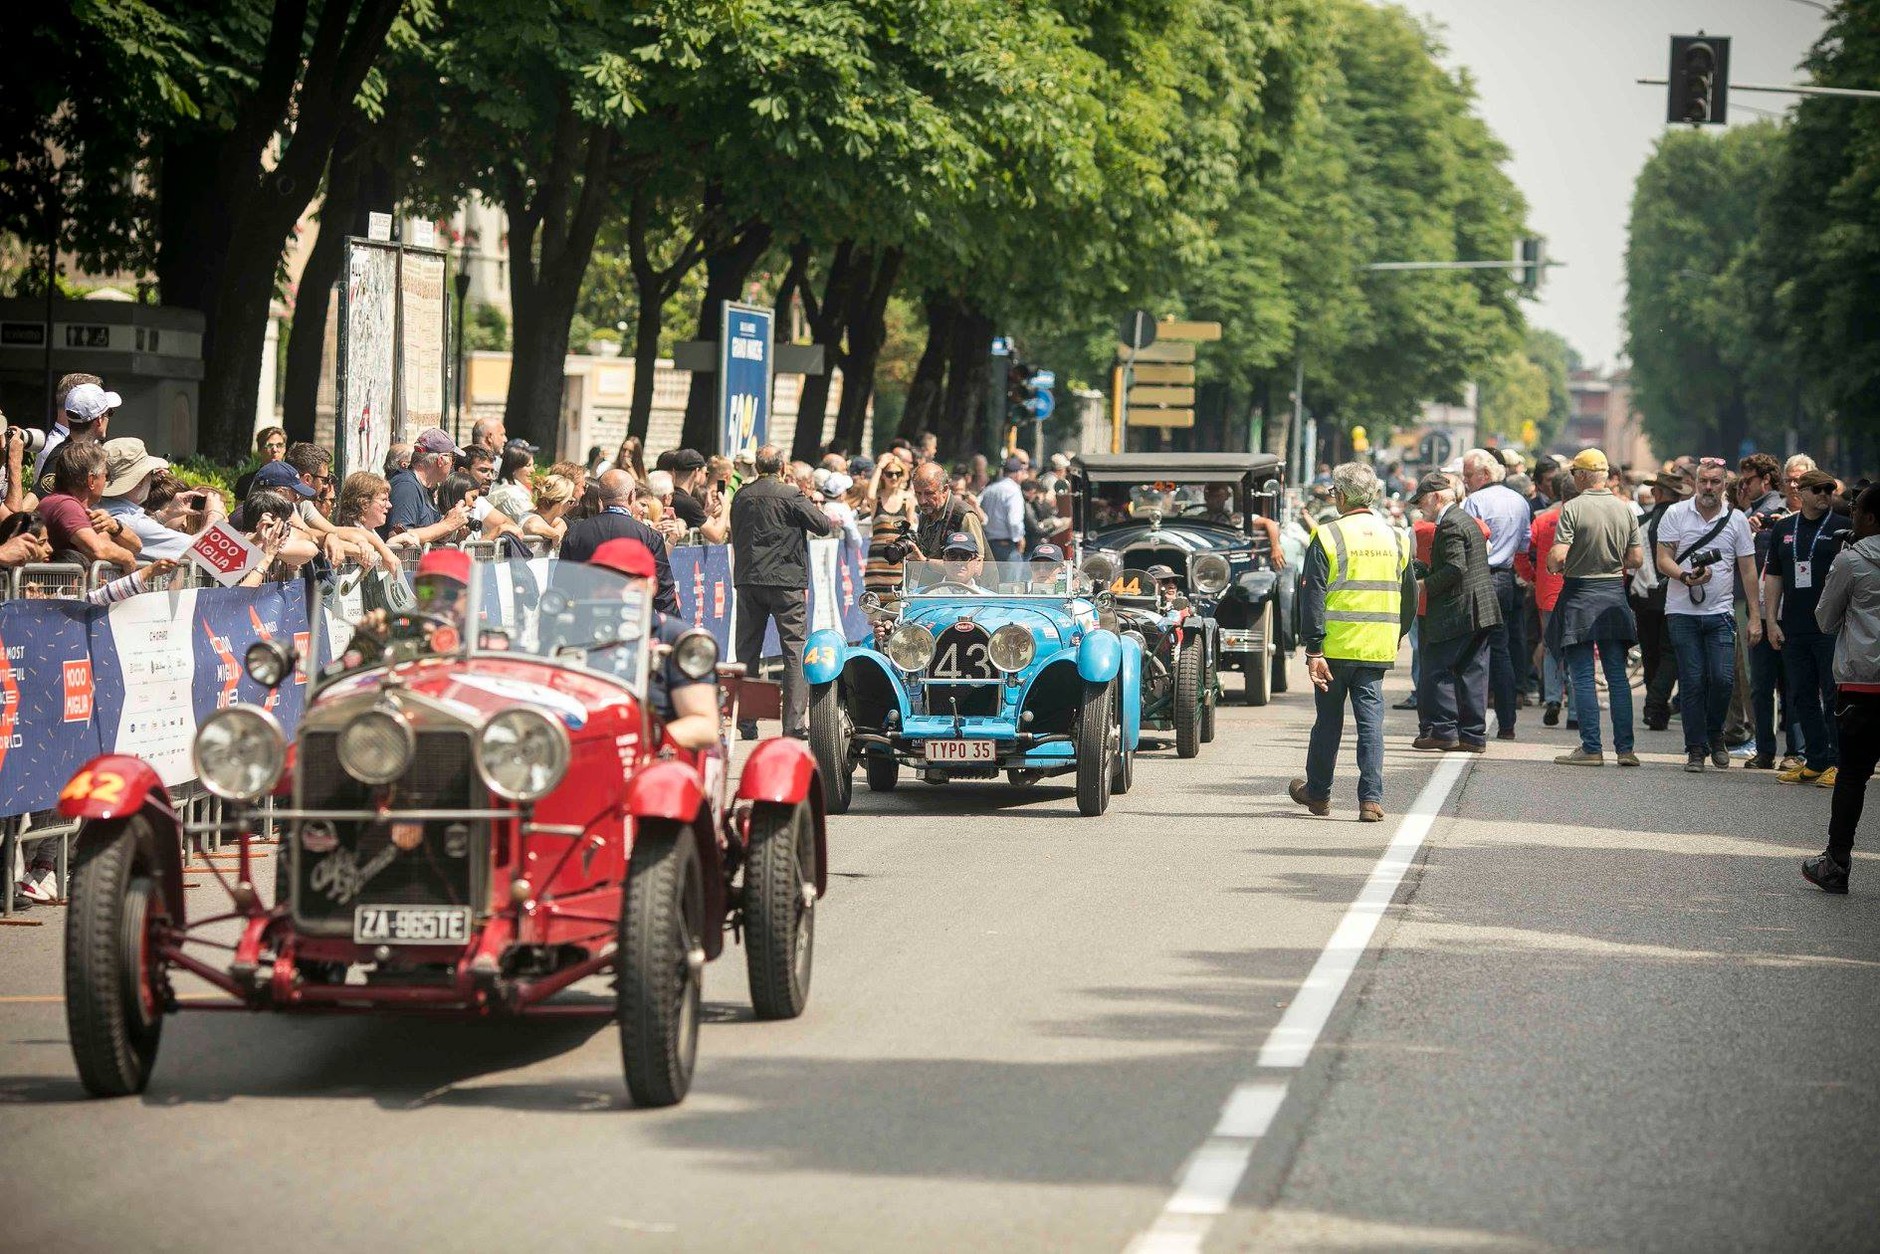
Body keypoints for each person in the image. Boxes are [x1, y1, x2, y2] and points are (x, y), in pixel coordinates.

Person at [1289, 462, 1414, 823]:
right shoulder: (1397, 537)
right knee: (1371, 723)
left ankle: (1318, 793)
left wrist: (1313, 648)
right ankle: (1370, 800)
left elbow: (1312, 595)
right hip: (1376, 647)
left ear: (1341, 495)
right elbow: (1408, 597)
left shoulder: (1328, 535)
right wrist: (1395, 633)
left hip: (1335, 648)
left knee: (1328, 723)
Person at [1657, 457, 1763, 772]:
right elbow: (1663, 558)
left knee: (1722, 679)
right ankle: (1695, 748)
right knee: (1691, 681)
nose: (1708, 487)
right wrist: (1685, 577)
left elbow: (1748, 571)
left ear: (1724, 485)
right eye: (1704, 480)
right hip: (1682, 612)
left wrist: (1755, 616)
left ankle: (1716, 734)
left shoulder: (1737, 520)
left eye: (1715, 482)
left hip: (1720, 613)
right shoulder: (1676, 513)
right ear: (1696, 482)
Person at [1546, 448, 1644, 766]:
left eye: (1574, 473)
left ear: (1582, 476)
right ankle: (1625, 749)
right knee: (1617, 675)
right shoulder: (1625, 509)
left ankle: (1591, 748)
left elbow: (1559, 556)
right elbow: (1637, 559)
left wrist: (1553, 563)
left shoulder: (1573, 508)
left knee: (1584, 676)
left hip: (1580, 594)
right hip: (1613, 595)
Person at [1804, 484, 1880, 893]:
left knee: (1852, 777)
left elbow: (1825, 619)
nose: (1850, 518)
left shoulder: (1851, 561)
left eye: (1855, 512)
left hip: (1861, 685)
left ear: (1869, 518)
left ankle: (1836, 865)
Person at [729, 444, 834, 739]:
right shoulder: (790, 494)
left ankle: (746, 723)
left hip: (749, 579)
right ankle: (793, 725)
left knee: (746, 652)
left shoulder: (742, 495)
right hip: (785, 581)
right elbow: (823, 525)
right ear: (782, 467)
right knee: (794, 650)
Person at [585, 537, 720, 750]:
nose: (607, 590)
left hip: (654, 761)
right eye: (599, 581)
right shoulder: (571, 634)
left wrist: (634, 740)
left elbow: (703, 725)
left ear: (651, 586)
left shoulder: (676, 637)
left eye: (620, 580)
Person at [1764, 468, 1851, 786]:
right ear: (1800, 493)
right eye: (1818, 490)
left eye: (1829, 489)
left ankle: (1837, 762)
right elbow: (1773, 576)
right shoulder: (1784, 528)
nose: (1825, 495)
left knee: (1833, 695)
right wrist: (1772, 620)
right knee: (1800, 695)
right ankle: (1815, 760)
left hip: (1830, 627)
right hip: (1794, 626)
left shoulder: (1843, 528)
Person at [1412, 471, 1500, 754]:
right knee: (1471, 671)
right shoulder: (1464, 520)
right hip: (1479, 608)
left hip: (1459, 609)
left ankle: (1443, 730)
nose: (1420, 507)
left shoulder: (1449, 523)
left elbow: (1455, 568)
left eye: (1422, 501)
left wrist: (1425, 583)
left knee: (1436, 667)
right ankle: (1473, 735)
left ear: (1436, 497)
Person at [1461, 448, 1531, 740]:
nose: (1465, 481)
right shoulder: (1519, 501)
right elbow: (1525, 545)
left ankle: (1471, 725)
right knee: (1501, 650)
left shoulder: (1474, 501)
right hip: (1506, 579)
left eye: (1468, 475)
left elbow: (1464, 543)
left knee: (1473, 651)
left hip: (1479, 578)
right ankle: (1507, 723)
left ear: (1485, 475)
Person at [560, 468, 680, 615]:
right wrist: (674, 633)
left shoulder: (576, 533)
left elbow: (562, 587)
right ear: (632, 496)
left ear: (600, 497)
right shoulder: (649, 536)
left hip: (586, 621)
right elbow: (664, 594)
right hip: (633, 620)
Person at [1522, 467, 1576, 727]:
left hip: (1548, 593)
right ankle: (1576, 710)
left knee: (1552, 646)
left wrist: (1533, 576)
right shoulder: (1587, 519)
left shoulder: (1543, 520)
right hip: (1580, 593)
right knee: (1578, 649)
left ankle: (1553, 697)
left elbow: (1522, 551)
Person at [1633, 472, 1687, 731]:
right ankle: (1656, 705)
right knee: (1671, 653)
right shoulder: (1686, 522)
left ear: (1657, 493)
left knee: (1651, 652)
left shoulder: (1641, 522)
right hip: (1677, 594)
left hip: (1644, 598)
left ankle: (1655, 707)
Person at [40, 442, 140, 572]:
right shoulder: (65, 506)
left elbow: (136, 547)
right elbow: (97, 549)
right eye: (106, 475)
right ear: (91, 481)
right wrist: (127, 558)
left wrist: (115, 526)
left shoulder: (71, 505)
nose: (106, 481)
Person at [383, 427, 469, 545]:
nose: (452, 465)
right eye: (452, 458)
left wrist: (449, 526)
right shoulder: (406, 487)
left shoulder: (426, 488)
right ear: (441, 460)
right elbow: (398, 537)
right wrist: (447, 525)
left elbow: (430, 531)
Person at [910, 461, 987, 562]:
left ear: (945, 490)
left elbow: (977, 564)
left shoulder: (963, 515)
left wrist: (925, 561)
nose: (922, 501)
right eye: (918, 493)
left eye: (929, 493)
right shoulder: (926, 513)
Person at [865, 456, 919, 596]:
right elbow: (869, 493)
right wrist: (880, 466)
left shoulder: (908, 500)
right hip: (876, 564)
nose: (893, 477)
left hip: (898, 563)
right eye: (889, 473)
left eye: (898, 473)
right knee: (874, 609)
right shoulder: (876, 499)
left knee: (896, 608)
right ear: (883, 476)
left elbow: (910, 531)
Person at [978, 455, 1028, 562]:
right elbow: (1014, 521)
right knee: (1013, 579)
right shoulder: (1014, 490)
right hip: (1006, 547)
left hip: (988, 546)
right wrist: (1019, 538)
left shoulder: (989, 490)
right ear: (1018, 473)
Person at [233, 426, 288, 500]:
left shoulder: (294, 482)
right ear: (260, 449)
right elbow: (239, 510)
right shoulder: (246, 482)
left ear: (284, 449)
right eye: (269, 445)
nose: (275, 450)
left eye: (279, 445)